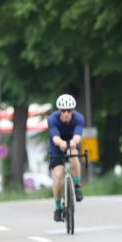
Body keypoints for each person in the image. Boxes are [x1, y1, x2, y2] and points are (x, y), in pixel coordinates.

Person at [47, 94, 85, 222]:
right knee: (58, 175)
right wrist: (60, 143)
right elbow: (55, 136)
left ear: (73, 111)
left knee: (74, 153)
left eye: (69, 110)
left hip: (71, 142)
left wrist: (74, 142)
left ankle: (78, 186)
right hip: (56, 146)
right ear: (59, 111)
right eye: (63, 111)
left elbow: (78, 135)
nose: (66, 113)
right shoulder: (52, 119)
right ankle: (57, 208)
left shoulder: (79, 118)